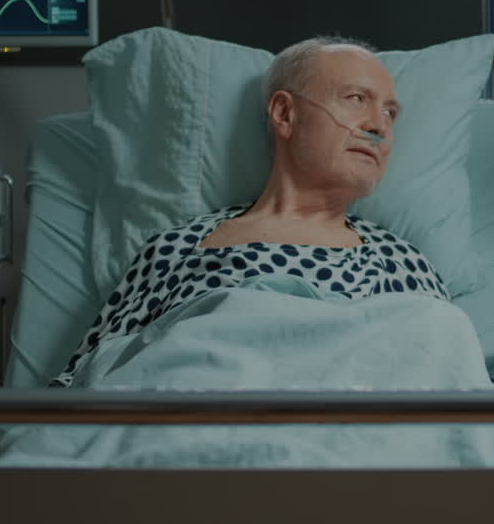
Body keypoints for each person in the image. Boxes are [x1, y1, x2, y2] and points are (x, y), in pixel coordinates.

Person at [53, 36, 448, 387]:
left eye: (391, 113)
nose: (379, 126)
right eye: (356, 99)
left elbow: (453, 379)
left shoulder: (403, 261)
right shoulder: (179, 247)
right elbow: (89, 380)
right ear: (284, 114)